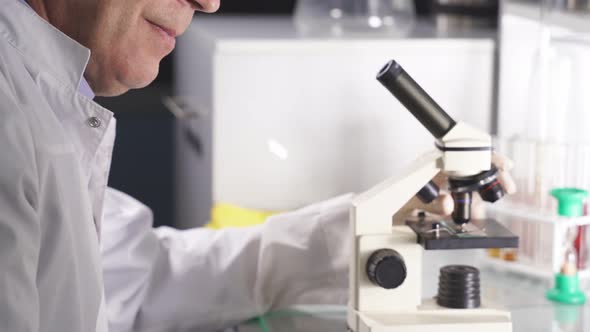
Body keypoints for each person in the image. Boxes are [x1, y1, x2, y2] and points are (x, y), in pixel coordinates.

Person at [0, 0, 516, 331]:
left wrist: (369, 222)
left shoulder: (47, 98)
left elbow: (147, 278)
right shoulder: (10, 121)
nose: (209, 1)